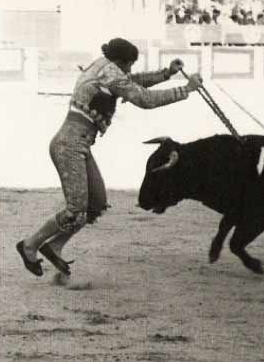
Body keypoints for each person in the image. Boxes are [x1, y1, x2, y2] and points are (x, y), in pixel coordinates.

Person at [16, 38, 203, 277]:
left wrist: (167, 73)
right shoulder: (111, 72)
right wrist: (185, 89)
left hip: (78, 145)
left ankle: (54, 246)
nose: (129, 71)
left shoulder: (103, 67)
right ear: (119, 61)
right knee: (75, 210)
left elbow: (132, 83)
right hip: (70, 145)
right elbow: (144, 99)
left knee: (95, 205)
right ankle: (29, 245)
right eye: (129, 65)